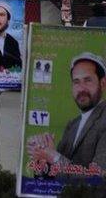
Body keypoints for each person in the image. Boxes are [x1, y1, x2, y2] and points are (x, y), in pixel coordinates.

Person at [26, 53, 106, 182]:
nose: (81, 88)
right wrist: (42, 161)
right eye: (76, 82)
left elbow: (98, 179)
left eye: (88, 80)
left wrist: (53, 157)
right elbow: (54, 175)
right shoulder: (72, 125)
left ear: (102, 83)